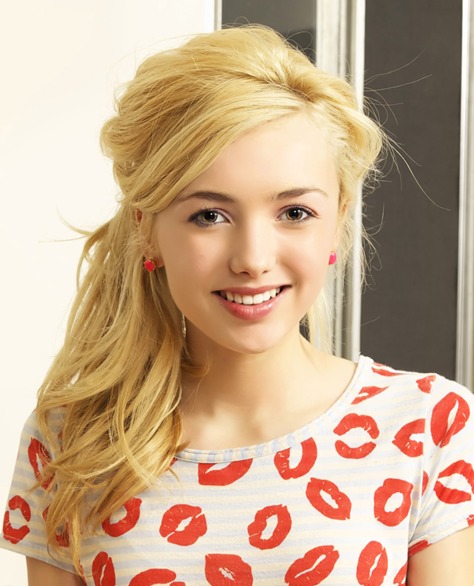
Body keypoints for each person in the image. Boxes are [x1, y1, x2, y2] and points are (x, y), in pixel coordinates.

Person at [1, 24, 474, 586]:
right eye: (209, 215)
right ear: (147, 230)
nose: (253, 258)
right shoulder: (70, 443)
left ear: (338, 220)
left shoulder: (429, 425)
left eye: (294, 213)